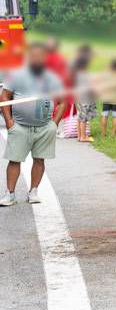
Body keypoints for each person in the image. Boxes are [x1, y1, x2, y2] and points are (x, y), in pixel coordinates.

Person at [0, 43, 67, 206]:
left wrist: (54, 124)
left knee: (39, 159)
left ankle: (34, 191)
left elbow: (63, 101)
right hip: (20, 126)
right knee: (14, 160)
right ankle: (10, 194)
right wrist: (9, 121)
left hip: (44, 127)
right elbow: (4, 96)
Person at [72, 55, 96, 142]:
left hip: (79, 98)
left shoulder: (76, 75)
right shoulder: (85, 75)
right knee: (84, 118)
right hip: (85, 99)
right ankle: (83, 136)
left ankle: (79, 136)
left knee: (80, 117)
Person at [100, 58, 116, 136]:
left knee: (105, 115)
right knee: (115, 116)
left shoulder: (106, 75)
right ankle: (113, 134)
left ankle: (103, 133)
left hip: (106, 98)